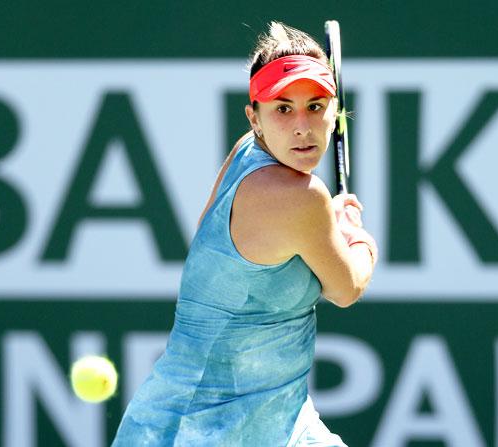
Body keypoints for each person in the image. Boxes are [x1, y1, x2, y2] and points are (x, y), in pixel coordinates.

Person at [111, 21, 377, 447]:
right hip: (196, 431)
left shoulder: (247, 152)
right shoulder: (301, 196)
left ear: (335, 112)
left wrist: (324, 224)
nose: (302, 126)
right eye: (283, 108)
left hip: (277, 421)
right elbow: (347, 287)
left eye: (316, 105)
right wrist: (356, 236)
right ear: (254, 116)